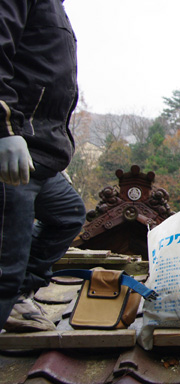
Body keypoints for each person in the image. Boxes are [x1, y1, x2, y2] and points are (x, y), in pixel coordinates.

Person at [0, 0, 86, 332]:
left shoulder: (54, 6)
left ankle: (18, 299)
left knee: (67, 215)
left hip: (38, 153)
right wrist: (4, 130)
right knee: (6, 265)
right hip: (13, 149)